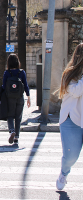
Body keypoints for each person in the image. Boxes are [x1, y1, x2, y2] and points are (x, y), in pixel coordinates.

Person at [56, 43, 83, 190]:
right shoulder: (69, 74)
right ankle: (64, 173)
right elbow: (76, 91)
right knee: (71, 156)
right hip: (71, 119)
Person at [2, 54, 31, 144]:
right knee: (18, 117)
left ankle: (12, 130)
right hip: (20, 97)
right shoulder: (21, 72)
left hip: (10, 98)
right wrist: (28, 98)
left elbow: (3, 86)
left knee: (10, 116)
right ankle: (16, 137)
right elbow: (25, 85)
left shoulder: (7, 73)